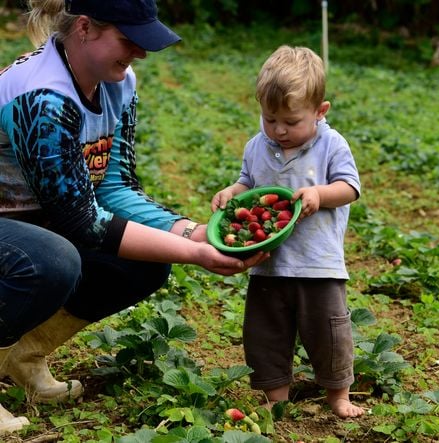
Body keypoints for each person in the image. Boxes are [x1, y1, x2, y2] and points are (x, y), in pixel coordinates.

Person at [0, 0, 268, 435]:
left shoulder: (116, 83)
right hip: (21, 232)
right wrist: (194, 253)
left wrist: (193, 232)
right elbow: (79, 219)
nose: (140, 53)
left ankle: (24, 356)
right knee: (52, 260)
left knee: (141, 264)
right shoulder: (43, 98)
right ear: (85, 28)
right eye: (129, 40)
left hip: (31, 225)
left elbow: (113, 185)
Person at [210, 45, 364, 418]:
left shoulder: (331, 145)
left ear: (319, 111)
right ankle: (275, 397)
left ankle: (338, 394)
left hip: (317, 264)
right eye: (269, 119)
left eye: (291, 122)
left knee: (329, 332)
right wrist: (233, 192)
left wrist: (318, 194)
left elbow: (350, 188)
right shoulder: (257, 146)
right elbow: (248, 181)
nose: (279, 130)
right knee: (265, 334)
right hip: (268, 260)